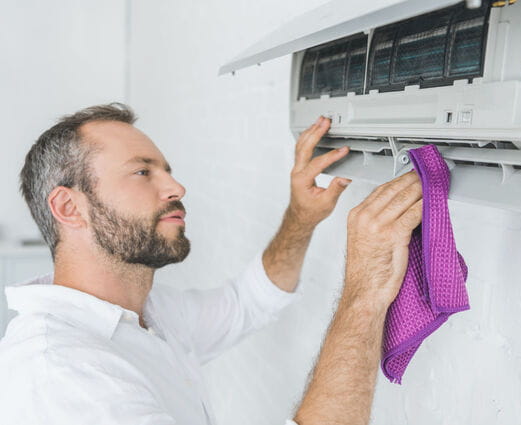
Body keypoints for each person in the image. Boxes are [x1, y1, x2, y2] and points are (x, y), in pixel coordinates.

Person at [0, 103, 422, 425]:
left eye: (167, 170)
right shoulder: (62, 372)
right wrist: (365, 290)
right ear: (69, 207)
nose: (176, 187)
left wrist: (301, 218)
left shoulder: (145, 313)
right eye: (142, 173)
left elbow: (247, 301)